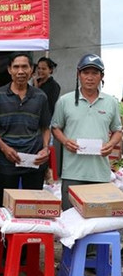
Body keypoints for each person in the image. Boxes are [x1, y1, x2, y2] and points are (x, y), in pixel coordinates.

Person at [51, 54, 122, 210]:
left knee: (99, 220)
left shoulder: (111, 102)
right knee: (71, 220)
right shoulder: (65, 101)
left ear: (101, 76)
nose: (90, 77)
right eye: (86, 72)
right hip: (72, 173)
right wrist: (65, 141)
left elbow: (117, 130)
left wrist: (110, 144)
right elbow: (55, 127)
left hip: (100, 174)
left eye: (94, 73)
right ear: (78, 74)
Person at [0, 52, 51, 208]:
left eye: (25, 67)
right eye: (16, 67)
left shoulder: (40, 96)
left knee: (31, 206)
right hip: (6, 161)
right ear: (9, 70)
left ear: (32, 70)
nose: (20, 71)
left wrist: (45, 149)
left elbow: (45, 127)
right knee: (3, 205)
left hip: (34, 159)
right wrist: (4, 148)